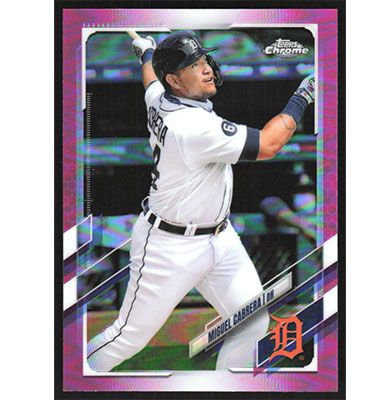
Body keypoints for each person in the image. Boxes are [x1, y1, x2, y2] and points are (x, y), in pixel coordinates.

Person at [87, 31, 315, 372]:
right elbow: (269, 144)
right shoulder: (190, 126)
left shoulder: (161, 97)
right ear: (176, 80)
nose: (206, 68)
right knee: (127, 338)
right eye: (194, 65)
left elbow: (151, 81)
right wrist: (303, 96)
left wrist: (146, 54)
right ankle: (68, 376)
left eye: (204, 59)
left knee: (252, 321)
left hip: (220, 239)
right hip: (168, 246)